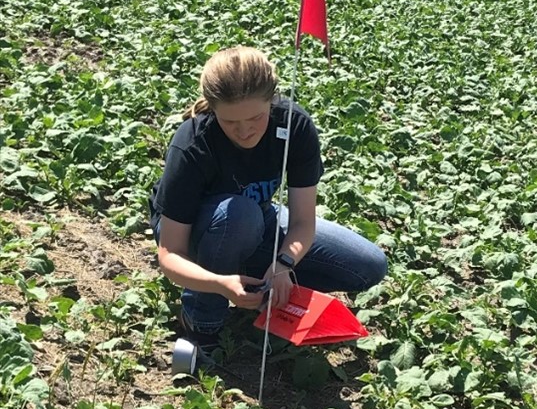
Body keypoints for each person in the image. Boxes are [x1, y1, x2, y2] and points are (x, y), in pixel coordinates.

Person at [149, 46, 387, 350]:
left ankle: (250, 273)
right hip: (195, 227)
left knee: (367, 265)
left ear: (272, 101)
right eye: (230, 122)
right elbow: (170, 254)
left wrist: (284, 263)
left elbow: (302, 222)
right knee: (238, 215)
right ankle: (201, 321)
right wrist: (218, 284)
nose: (245, 131)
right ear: (213, 108)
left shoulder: (294, 126)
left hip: (256, 216)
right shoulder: (193, 142)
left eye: (255, 117)